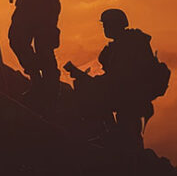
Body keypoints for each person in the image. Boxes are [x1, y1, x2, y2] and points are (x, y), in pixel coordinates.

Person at [66, 9, 169, 150]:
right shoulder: (124, 45)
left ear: (115, 25)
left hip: (131, 102)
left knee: (129, 139)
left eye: (106, 25)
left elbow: (119, 79)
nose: (104, 28)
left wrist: (88, 80)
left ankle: (132, 163)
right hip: (130, 101)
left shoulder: (127, 47)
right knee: (128, 137)